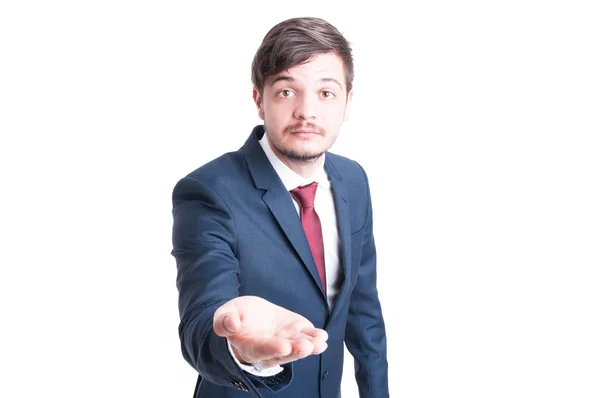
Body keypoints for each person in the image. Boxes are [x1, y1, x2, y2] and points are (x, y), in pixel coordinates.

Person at [171, 16, 389, 398]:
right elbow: (201, 321)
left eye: (326, 93)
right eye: (287, 91)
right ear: (259, 100)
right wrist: (238, 345)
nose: (307, 111)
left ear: (347, 102)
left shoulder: (354, 181)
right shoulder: (207, 192)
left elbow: (363, 312)